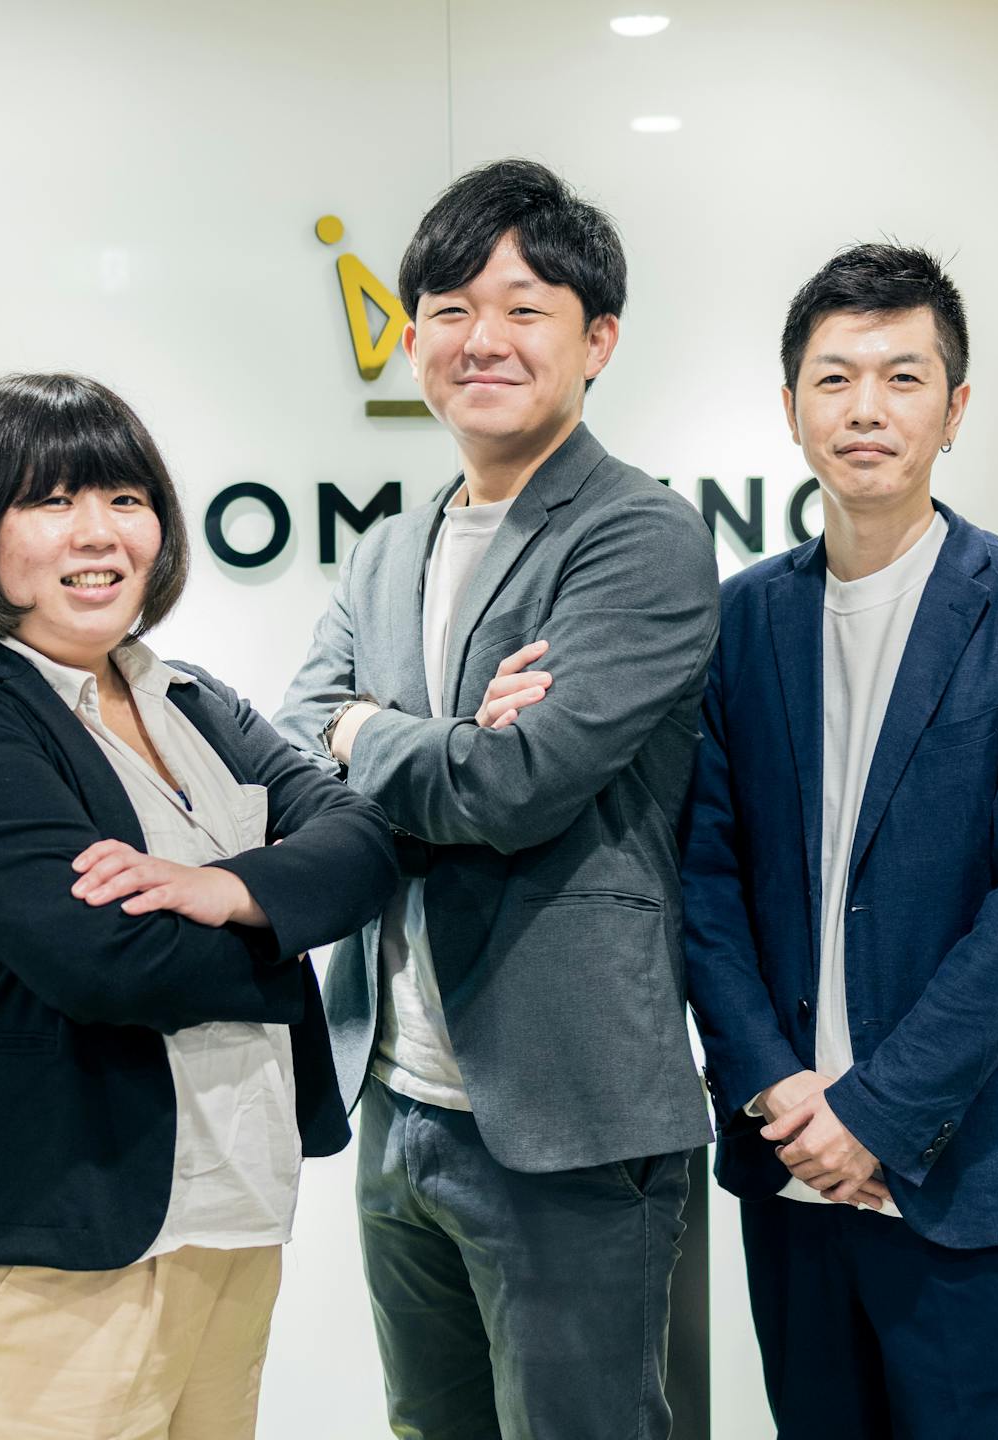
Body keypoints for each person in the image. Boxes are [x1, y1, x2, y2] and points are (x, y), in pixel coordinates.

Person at [272, 158, 719, 1440]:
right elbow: (292, 757)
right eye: (451, 309)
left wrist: (375, 728)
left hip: (568, 1117)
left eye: (526, 309)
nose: (483, 338)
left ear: (598, 341)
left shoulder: (638, 535)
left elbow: (515, 786)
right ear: (411, 337)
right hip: (397, 1098)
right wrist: (427, 739)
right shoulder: (386, 549)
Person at [0, 372, 397, 1440]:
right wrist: (285, 929)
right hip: (48, 1240)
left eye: (124, 498)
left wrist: (226, 888)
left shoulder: (191, 699)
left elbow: (363, 843)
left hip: (229, 1219)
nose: (98, 533)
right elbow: (108, 964)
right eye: (49, 500)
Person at [680, 242, 998, 1438]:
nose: (865, 409)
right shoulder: (740, 618)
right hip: (790, 1169)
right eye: (834, 379)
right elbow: (703, 878)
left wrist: (873, 1113)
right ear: (790, 408)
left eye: (902, 377)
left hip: (969, 1180)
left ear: (954, 409)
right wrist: (777, 1090)